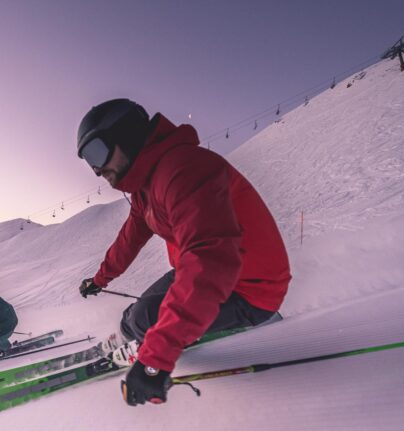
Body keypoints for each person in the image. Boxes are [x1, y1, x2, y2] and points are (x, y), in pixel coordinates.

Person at [76, 98, 291, 406]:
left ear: (126, 135)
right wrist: (100, 279)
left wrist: (156, 359)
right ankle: (138, 334)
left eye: (97, 152)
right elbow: (129, 239)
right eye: (88, 161)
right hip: (204, 272)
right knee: (137, 316)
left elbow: (209, 257)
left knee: (146, 318)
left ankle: (256, 321)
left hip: (251, 288)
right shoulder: (145, 189)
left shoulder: (185, 169)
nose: (97, 171)